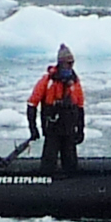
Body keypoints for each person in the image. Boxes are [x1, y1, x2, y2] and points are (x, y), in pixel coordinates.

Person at [27, 44, 86, 176]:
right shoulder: (47, 81)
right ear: (61, 63)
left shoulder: (75, 82)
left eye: (72, 63)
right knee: (49, 160)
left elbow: (80, 106)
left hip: (69, 128)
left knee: (70, 161)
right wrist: (33, 127)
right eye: (68, 63)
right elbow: (32, 104)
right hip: (52, 128)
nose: (70, 67)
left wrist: (80, 129)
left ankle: (70, 186)